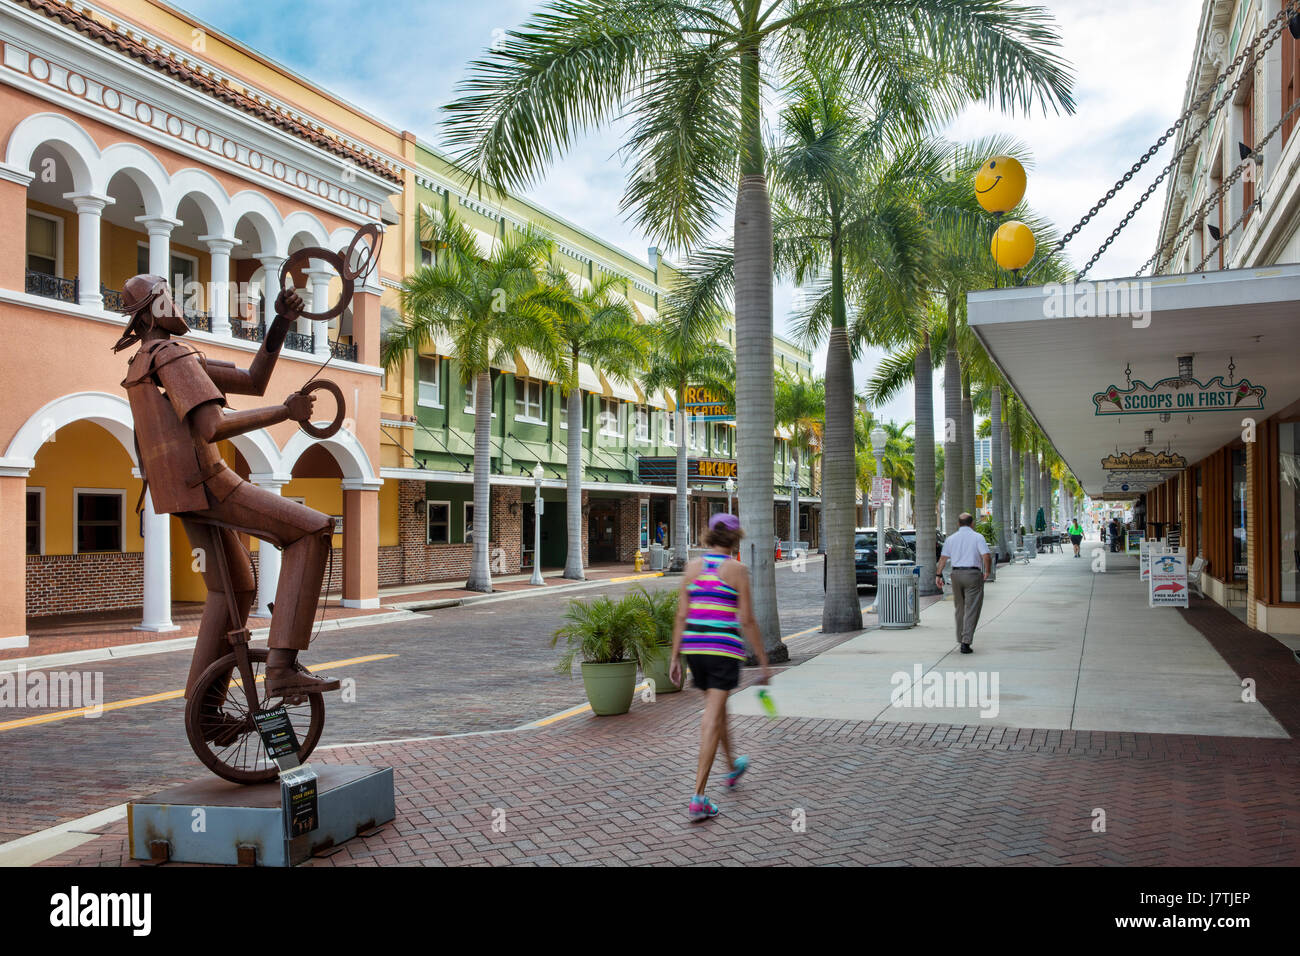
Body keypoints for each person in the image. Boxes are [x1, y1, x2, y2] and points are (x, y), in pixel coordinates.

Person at [116, 275, 340, 708]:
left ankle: (205, 710)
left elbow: (253, 379)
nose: (175, 303)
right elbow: (213, 427)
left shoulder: (143, 362)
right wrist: (285, 412)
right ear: (150, 312)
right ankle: (281, 669)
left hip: (183, 496)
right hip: (211, 484)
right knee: (313, 531)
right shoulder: (172, 355)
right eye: (165, 297)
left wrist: (280, 322)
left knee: (234, 589)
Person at [669, 512, 770, 822]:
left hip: (694, 650)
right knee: (711, 718)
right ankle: (698, 796)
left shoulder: (693, 567)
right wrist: (764, 662)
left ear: (709, 535)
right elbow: (747, 620)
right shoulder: (737, 570)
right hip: (722, 651)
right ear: (735, 537)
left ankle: (731, 766)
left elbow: (681, 616)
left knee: (718, 709)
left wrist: (674, 658)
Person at [935, 512, 992, 654]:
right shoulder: (978, 537)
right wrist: (987, 572)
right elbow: (986, 556)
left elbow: (943, 559)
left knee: (960, 608)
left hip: (956, 575)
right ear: (972, 523)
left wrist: (938, 574)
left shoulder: (951, 538)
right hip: (973, 574)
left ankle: (961, 638)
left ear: (958, 524)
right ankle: (966, 642)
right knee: (972, 608)